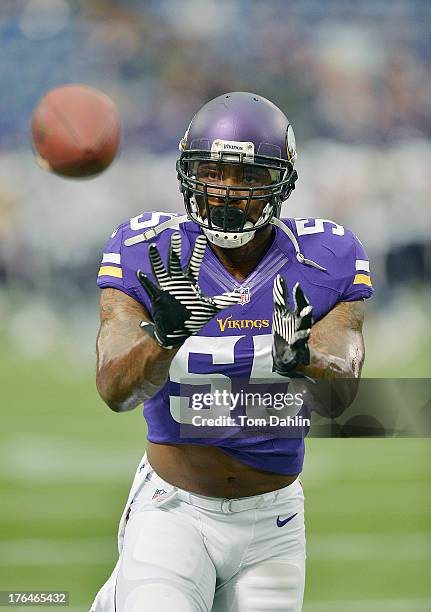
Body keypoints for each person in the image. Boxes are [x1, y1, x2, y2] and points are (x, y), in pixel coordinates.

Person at [90, 92, 373, 612]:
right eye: (214, 171)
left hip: (275, 522)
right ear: (189, 172)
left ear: (281, 182)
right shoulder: (148, 249)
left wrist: (303, 355)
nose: (226, 190)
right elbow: (114, 390)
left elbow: (346, 383)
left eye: (248, 176)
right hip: (174, 508)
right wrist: (162, 339)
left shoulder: (328, 255)